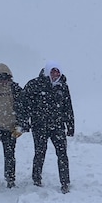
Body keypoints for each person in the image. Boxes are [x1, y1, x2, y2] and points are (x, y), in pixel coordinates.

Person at [23, 60, 76, 193]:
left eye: (57, 72)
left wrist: (70, 125)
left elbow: (68, 107)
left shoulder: (63, 87)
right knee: (40, 153)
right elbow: (24, 104)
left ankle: (65, 182)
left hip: (57, 126)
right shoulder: (34, 84)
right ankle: (36, 179)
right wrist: (25, 122)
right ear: (47, 72)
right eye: (52, 71)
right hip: (39, 125)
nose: (55, 74)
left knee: (62, 154)